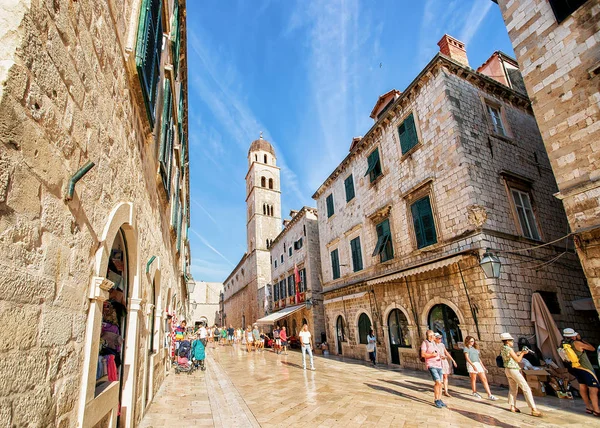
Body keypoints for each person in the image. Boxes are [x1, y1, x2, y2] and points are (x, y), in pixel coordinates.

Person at [500, 332, 542, 417]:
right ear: (507, 341)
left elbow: (511, 356)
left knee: (513, 389)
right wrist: (523, 353)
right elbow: (518, 360)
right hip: (514, 369)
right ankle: (533, 409)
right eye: (511, 340)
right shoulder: (509, 349)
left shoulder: (503, 348)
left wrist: (519, 352)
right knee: (526, 388)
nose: (512, 342)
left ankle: (512, 406)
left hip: (507, 369)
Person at [562, 328, 599, 416]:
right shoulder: (577, 343)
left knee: (582, 386)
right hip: (586, 368)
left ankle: (588, 407)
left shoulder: (565, 344)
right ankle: (596, 409)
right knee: (593, 388)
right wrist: (581, 339)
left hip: (576, 368)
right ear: (572, 336)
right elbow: (592, 348)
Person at [463, 335, 497, 401]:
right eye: (471, 341)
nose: (472, 342)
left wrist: (483, 367)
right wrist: (473, 365)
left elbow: (478, 358)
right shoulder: (466, 348)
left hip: (477, 363)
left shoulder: (475, 348)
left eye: (473, 341)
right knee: (473, 378)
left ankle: (489, 394)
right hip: (471, 364)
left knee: (484, 379)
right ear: (468, 341)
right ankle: (474, 391)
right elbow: (467, 358)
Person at [421, 330, 446, 408]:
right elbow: (423, 354)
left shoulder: (435, 343)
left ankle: (440, 399)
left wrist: (442, 357)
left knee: (441, 383)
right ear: (427, 336)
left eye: (433, 335)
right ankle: (436, 399)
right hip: (431, 365)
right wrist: (432, 355)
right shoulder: (425, 343)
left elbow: (437, 353)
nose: (432, 337)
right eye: (430, 335)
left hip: (439, 365)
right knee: (437, 382)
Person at [434, 333, 457, 397]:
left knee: (445, 376)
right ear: (435, 339)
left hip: (444, 361)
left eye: (440, 338)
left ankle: (446, 391)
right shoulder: (433, 346)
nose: (440, 339)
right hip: (438, 362)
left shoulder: (442, 345)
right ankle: (439, 391)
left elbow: (446, 352)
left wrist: (453, 360)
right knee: (439, 378)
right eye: (438, 338)